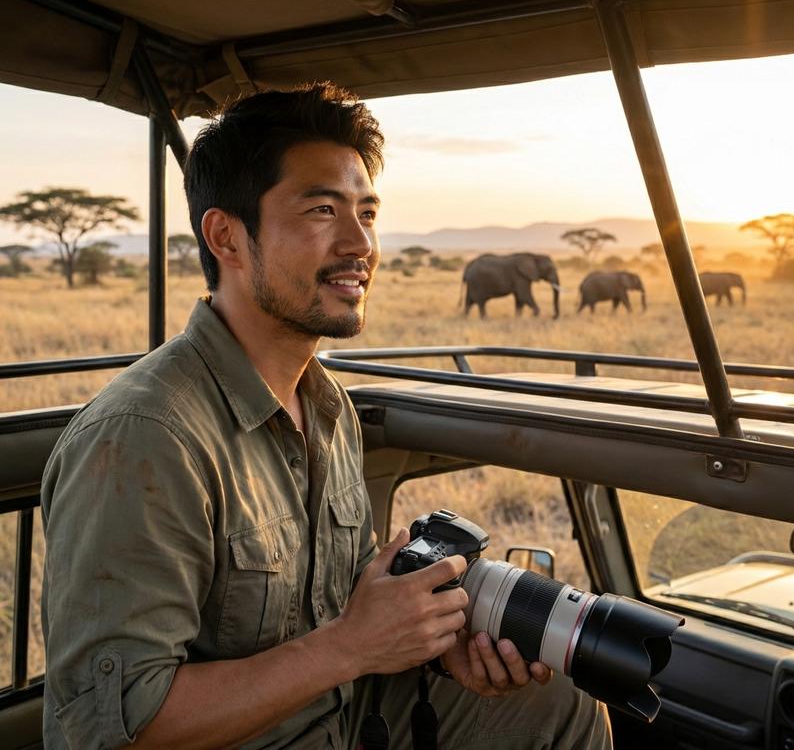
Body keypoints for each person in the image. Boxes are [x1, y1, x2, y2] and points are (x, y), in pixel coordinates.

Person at [41, 83, 611, 749]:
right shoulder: (146, 438)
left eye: (367, 213)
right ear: (226, 236)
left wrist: (430, 647)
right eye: (321, 210)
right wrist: (348, 648)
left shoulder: (327, 404)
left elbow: (338, 607)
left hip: (344, 713)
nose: (360, 243)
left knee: (562, 702)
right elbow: (110, 732)